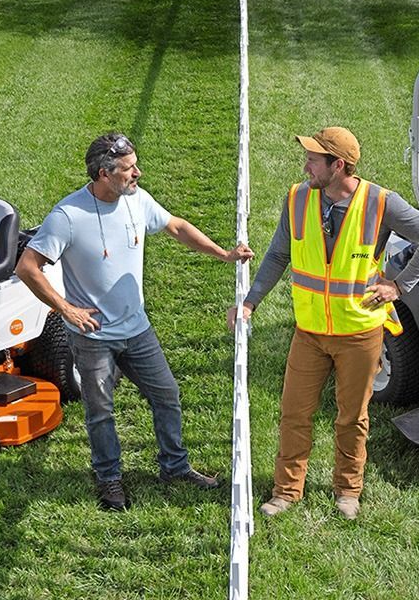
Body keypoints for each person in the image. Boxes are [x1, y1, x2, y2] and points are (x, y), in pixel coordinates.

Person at [17, 132, 252, 512]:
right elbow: (28, 267)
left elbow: (176, 226)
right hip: (92, 336)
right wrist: (66, 310)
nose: (137, 173)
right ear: (103, 173)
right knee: (100, 411)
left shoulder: (136, 199)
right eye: (128, 169)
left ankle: (175, 467)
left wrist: (223, 254)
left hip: (137, 329)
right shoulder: (67, 217)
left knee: (167, 395)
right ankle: (109, 480)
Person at [230, 126, 419, 520]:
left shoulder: (381, 202)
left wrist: (399, 286)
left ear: (338, 165)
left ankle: (348, 491)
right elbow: (279, 255)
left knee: (352, 417)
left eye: (314, 159)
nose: (306, 166)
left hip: (359, 334)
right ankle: (286, 490)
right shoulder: (297, 198)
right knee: (294, 413)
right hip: (309, 333)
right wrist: (250, 302)